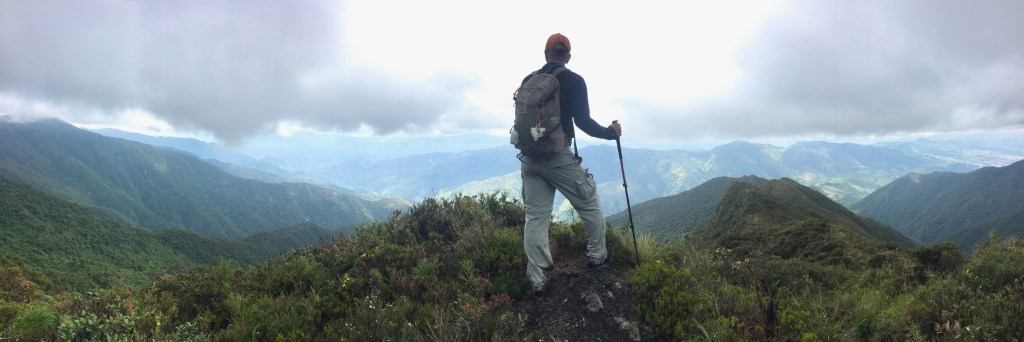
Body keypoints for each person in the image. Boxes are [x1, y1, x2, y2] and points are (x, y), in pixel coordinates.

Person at [520, 33, 622, 295]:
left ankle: (538, 279)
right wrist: (611, 133)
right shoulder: (574, 80)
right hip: (557, 157)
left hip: (529, 159)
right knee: (589, 200)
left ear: (545, 54)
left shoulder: (528, 81)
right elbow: (583, 122)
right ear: (568, 56)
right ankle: (597, 257)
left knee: (535, 217)